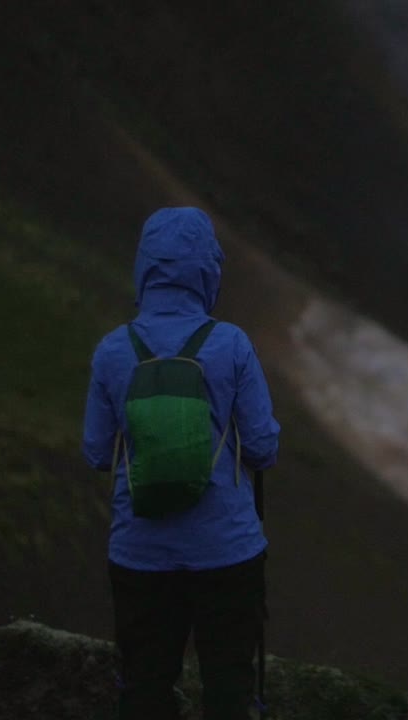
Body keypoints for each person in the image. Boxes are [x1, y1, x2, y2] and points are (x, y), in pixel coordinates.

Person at [82, 207, 280, 719]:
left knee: (145, 687)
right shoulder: (231, 344)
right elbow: (261, 447)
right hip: (228, 551)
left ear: (144, 269)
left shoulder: (112, 351)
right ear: (208, 269)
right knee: (229, 691)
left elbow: (97, 452)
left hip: (141, 554)